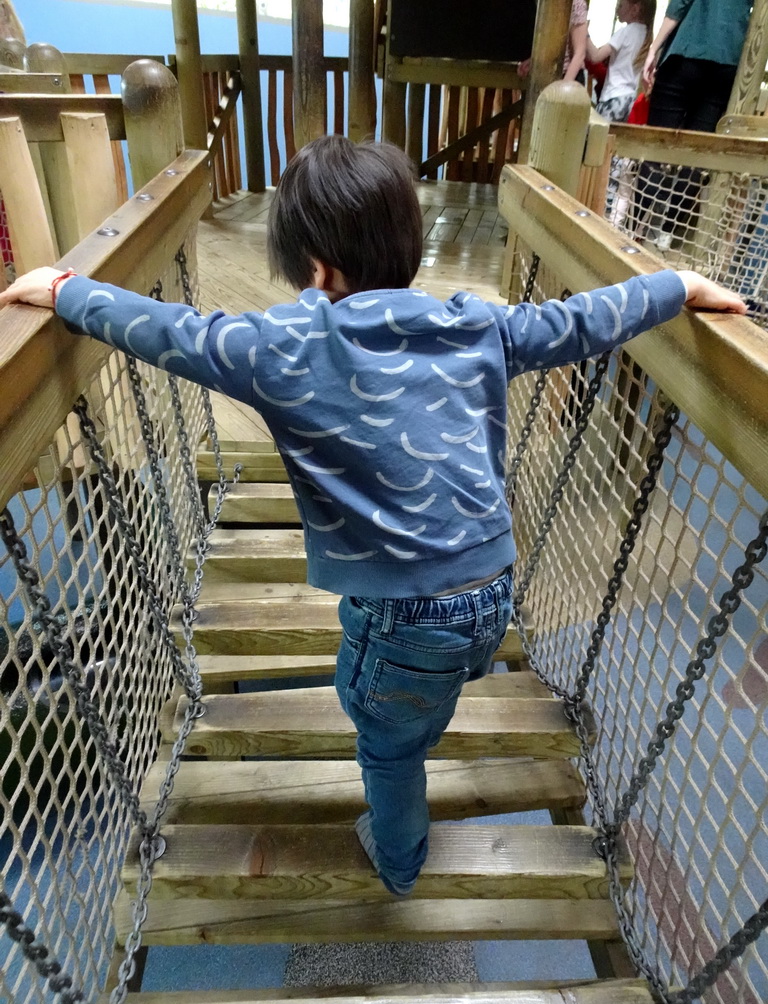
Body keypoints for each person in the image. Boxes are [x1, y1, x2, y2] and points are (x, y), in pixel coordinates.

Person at [0, 135, 747, 897]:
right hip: (493, 590)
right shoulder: (476, 323)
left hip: (402, 616)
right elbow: (584, 319)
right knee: (433, 687)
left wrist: (65, 291)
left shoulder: (284, 345)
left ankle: (399, 860)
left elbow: (172, 332)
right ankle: (423, 721)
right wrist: (676, 284)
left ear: (317, 270)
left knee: (383, 737)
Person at [635, 0, 753, 249]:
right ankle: (667, 231)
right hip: (728, 56)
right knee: (697, 156)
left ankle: (636, 227)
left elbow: (680, 3)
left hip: (687, 48)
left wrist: (653, 49)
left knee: (658, 144)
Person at [588, 0, 657, 124]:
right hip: (629, 100)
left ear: (635, 9)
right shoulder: (646, 35)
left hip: (613, 97)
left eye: (620, 5)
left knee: (597, 139)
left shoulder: (625, 32)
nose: (617, 10)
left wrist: (583, 31)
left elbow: (595, 57)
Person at [518, 0, 589, 84]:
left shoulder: (575, 3)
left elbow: (579, 54)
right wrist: (533, 62)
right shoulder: (544, 4)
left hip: (569, 77)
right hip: (547, 76)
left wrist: (562, 87)